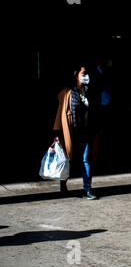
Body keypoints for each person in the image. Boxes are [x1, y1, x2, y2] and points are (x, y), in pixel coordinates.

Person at [53, 64, 98, 200]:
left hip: (86, 132)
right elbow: (60, 114)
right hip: (71, 132)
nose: (86, 76)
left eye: (87, 74)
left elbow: (93, 112)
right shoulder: (68, 93)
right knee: (68, 160)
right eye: (83, 74)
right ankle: (63, 183)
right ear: (76, 75)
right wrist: (57, 134)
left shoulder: (88, 91)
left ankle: (87, 189)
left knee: (86, 160)